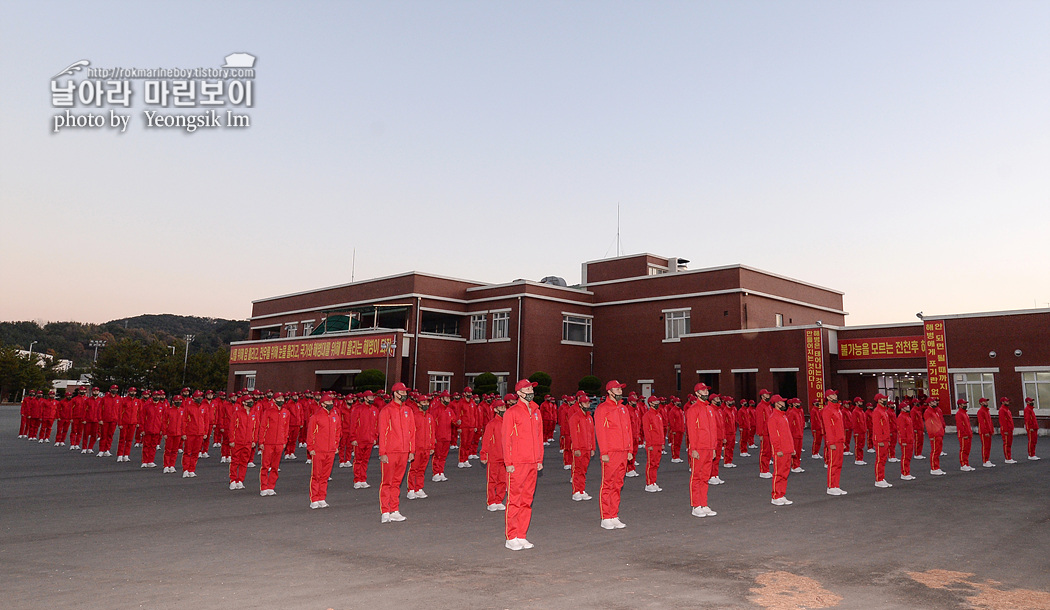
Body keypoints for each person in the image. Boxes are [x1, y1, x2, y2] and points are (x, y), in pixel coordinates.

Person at [501, 379, 543, 551]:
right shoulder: (512, 412)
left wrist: (539, 459)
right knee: (515, 500)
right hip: (518, 462)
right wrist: (508, 462)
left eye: (531, 387)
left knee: (527, 500)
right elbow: (506, 438)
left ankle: (521, 534)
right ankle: (511, 536)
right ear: (518, 393)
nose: (530, 390)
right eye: (527, 388)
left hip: (532, 462)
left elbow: (539, 437)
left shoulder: (536, 411)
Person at [595, 380, 633, 529]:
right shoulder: (603, 408)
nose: (620, 391)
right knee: (608, 484)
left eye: (620, 389)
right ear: (610, 391)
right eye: (617, 389)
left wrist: (630, 450)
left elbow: (628, 429)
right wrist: (604, 452)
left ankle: (614, 514)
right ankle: (606, 516)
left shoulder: (623, 408)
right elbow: (601, 431)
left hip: (623, 451)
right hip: (611, 452)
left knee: (618, 484)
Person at [379, 383, 415, 522]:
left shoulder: (408, 411)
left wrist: (412, 450)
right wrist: (383, 452)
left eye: (405, 392)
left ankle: (394, 509)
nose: (405, 394)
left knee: (397, 482)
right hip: (390, 451)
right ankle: (385, 511)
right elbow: (383, 433)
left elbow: (412, 432)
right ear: (395, 393)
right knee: (387, 482)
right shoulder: (386, 410)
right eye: (402, 392)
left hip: (404, 451)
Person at [686, 382, 719, 517]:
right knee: (696, 477)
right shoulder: (693, 409)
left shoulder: (710, 409)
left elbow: (713, 430)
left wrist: (714, 447)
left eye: (707, 390)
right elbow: (691, 431)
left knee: (705, 477)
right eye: (703, 391)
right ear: (697, 394)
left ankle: (703, 503)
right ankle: (696, 505)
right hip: (699, 448)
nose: (706, 393)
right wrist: (693, 448)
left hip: (709, 448)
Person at [307, 394, 340, 508]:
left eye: (332, 402)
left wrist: (336, 445)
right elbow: (310, 434)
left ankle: (322, 497)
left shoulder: (335, 416)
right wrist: (311, 448)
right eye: (329, 402)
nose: (331, 404)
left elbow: (338, 432)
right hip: (318, 450)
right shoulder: (316, 417)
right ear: (323, 404)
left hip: (330, 450)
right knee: (316, 475)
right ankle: (314, 498)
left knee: (325, 476)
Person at [258, 392, 291, 496]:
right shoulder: (268, 411)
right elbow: (263, 426)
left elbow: (286, 428)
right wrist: (261, 441)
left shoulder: (286, 412)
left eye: (282, 398)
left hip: (280, 443)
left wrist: (284, 441)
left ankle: (271, 486)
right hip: (268, 442)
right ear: (274, 400)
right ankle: (263, 487)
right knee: (265, 465)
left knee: (275, 466)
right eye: (279, 398)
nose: (281, 400)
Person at [479, 398, 508, 511]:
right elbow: (486, 441)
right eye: (500, 407)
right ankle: (491, 501)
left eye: (504, 407)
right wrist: (484, 454)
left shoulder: (508, 422)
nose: (503, 409)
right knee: (492, 480)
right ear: (495, 409)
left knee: (503, 480)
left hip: (505, 457)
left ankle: (499, 499)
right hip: (494, 457)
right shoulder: (492, 424)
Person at [766, 395, 794, 505]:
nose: (784, 404)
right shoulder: (773, 418)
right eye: (781, 402)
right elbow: (774, 436)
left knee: (785, 473)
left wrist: (792, 448)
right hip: (780, 450)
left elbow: (788, 434)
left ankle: (781, 494)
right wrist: (777, 449)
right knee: (778, 473)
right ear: (776, 404)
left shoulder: (784, 416)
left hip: (787, 449)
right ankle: (775, 496)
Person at [407, 394, 435, 500]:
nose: (426, 404)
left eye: (427, 402)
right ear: (418, 404)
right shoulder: (414, 416)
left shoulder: (429, 417)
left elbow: (432, 433)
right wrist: (411, 449)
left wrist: (432, 446)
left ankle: (419, 488)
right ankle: (411, 489)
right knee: (414, 469)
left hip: (427, 448)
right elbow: (411, 433)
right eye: (423, 402)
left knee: (422, 469)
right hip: (417, 448)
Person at [350, 391, 380, 488]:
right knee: (358, 460)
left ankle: (363, 479)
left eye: (372, 397)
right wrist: (353, 438)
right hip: (359, 439)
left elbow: (377, 425)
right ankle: (357, 479)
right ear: (365, 398)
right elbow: (353, 424)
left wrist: (375, 437)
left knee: (365, 460)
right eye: (370, 397)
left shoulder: (375, 410)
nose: (372, 399)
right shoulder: (358, 409)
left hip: (370, 440)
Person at [228, 395, 259, 489]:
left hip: (248, 442)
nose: (251, 402)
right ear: (244, 403)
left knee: (244, 462)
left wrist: (254, 440)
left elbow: (256, 428)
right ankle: (233, 480)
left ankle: (240, 480)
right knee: (235, 461)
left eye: (251, 400)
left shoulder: (254, 414)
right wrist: (231, 440)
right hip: (238, 441)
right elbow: (232, 427)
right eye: (248, 400)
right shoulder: (238, 413)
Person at [820, 390, 848, 495]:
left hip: (839, 440)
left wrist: (843, 440)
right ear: (828, 398)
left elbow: (840, 427)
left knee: (839, 464)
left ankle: (836, 485)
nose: (835, 396)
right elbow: (828, 428)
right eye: (832, 395)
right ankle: (831, 486)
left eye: (835, 394)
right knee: (833, 464)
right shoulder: (827, 410)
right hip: (833, 441)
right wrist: (830, 442)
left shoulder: (838, 409)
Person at [569, 396, 596, 501]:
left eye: (588, 403)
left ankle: (581, 490)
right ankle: (576, 491)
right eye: (585, 403)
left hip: (587, 448)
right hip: (579, 448)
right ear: (579, 404)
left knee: (583, 470)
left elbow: (592, 433)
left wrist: (593, 447)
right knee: (577, 470)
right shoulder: (575, 418)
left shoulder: (589, 417)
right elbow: (574, 434)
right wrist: (576, 448)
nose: (587, 405)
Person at [181, 391, 208, 477]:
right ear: (193, 398)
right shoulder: (188, 407)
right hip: (190, 433)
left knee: (196, 452)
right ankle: (185, 469)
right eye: (198, 397)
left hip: (200, 433)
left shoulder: (204, 407)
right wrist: (184, 433)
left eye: (201, 396)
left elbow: (206, 421)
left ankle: (192, 469)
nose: (200, 398)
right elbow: (184, 420)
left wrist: (205, 432)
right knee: (188, 451)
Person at [641, 396, 665, 491]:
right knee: (651, 463)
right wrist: (649, 444)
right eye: (655, 401)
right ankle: (649, 483)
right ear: (650, 403)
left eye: (657, 401)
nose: (657, 403)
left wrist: (662, 442)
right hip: (652, 444)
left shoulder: (658, 415)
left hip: (658, 443)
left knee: (656, 464)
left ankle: (653, 481)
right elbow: (646, 431)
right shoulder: (647, 415)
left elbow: (661, 430)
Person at [431, 391, 454, 481]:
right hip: (439, 436)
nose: (448, 399)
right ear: (441, 399)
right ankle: (435, 473)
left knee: (443, 456)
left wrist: (458, 422)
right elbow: (432, 424)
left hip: (447, 436)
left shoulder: (449, 410)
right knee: (437, 455)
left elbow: (454, 420)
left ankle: (441, 471)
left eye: (449, 398)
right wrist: (433, 437)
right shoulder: (436, 410)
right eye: (447, 398)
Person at [872, 393, 893, 487]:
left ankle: (881, 477)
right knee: (880, 459)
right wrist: (879, 440)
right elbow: (877, 427)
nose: (885, 400)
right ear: (879, 400)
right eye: (883, 399)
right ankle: (878, 479)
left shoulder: (883, 411)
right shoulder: (877, 411)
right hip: (880, 440)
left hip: (885, 439)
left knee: (883, 459)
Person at [161, 395, 184, 473]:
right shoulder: (168, 411)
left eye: (180, 400)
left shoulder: (182, 411)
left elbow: (184, 423)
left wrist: (183, 433)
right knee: (168, 450)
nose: (179, 402)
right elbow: (164, 422)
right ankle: (166, 465)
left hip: (178, 433)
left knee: (175, 450)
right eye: (177, 401)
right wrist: (164, 432)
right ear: (173, 402)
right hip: (170, 433)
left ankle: (172, 465)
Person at [924, 398, 947, 475]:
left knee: (937, 451)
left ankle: (937, 467)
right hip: (935, 435)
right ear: (929, 403)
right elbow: (929, 425)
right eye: (933, 402)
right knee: (934, 451)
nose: (935, 403)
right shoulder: (928, 412)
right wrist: (931, 435)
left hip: (939, 434)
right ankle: (934, 468)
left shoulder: (936, 411)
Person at [755, 389, 773, 478]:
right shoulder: (760, 406)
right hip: (764, 432)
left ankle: (767, 469)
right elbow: (759, 420)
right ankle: (763, 470)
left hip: (770, 432)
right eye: (766, 395)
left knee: (769, 451)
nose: (768, 396)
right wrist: (760, 433)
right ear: (762, 396)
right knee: (764, 451)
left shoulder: (769, 406)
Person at [955, 399, 975, 471]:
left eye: (965, 404)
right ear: (960, 405)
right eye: (964, 404)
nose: (965, 405)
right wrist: (964, 434)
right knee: (963, 449)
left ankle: (966, 463)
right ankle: (963, 464)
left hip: (968, 433)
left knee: (967, 449)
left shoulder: (965, 413)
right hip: (963, 435)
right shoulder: (959, 414)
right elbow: (960, 425)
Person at [787, 398, 805, 473]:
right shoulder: (792, 412)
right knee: (794, 451)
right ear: (794, 404)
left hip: (799, 434)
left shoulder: (799, 412)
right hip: (794, 435)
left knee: (798, 451)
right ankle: (794, 466)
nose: (799, 404)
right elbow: (790, 425)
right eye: (797, 403)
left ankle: (797, 465)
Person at [977, 397, 995, 467]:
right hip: (984, 432)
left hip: (988, 431)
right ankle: (985, 461)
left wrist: (991, 430)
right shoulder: (980, 411)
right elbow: (982, 423)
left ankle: (987, 459)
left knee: (988, 446)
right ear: (981, 403)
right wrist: (985, 431)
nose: (986, 403)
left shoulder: (987, 411)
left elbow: (989, 422)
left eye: (986, 401)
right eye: (984, 402)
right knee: (985, 446)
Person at [998, 397, 1016, 464]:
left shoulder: (1007, 410)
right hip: (1006, 429)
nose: (1008, 402)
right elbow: (1002, 421)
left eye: (1008, 401)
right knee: (1006, 443)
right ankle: (1007, 458)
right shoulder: (1002, 410)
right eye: (1006, 401)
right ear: (1002, 402)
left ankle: (1009, 457)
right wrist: (1005, 430)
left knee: (1009, 443)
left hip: (1009, 429)